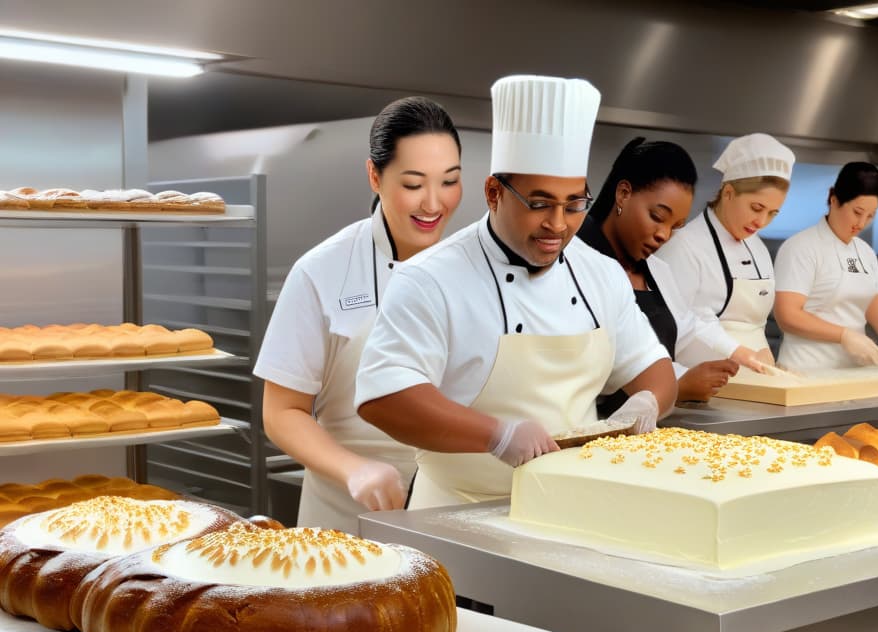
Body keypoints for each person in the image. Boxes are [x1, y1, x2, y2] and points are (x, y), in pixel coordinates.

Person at [356, 75, 677, 509]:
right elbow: (384, 398)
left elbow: (654, 369)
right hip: (458, 513)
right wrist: (497, 435)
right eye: (540, 203)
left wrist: (646, 404)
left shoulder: (600, 273)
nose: (558, 224)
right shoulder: (430, 278)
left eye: (574, 204)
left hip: (574, 507)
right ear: (493, 193)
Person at [253, 97, 463, 532]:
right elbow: (281, 412)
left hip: (450, 518)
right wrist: (355, 469)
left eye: (449, 182)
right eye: (413, 184)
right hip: (347, 522)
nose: (433, 203)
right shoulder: (322, 270)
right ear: (374, 176)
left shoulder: (476, 267)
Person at [577, 137, 738, 403]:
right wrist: (677, 385)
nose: (664, 234)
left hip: (654, 427)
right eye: (657, 217)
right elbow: (586, 369)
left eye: (675, 226)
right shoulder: (576, 264)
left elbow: (686, 336)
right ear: (623, 194)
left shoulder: (658, 271)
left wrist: (732, 355)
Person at [774, 161, 878, 370]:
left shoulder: (865, 252)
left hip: (855, 373)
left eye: (871, 215)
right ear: (834, 199)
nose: (862, 223)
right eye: (857, 212)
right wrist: (844, 335)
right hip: (807, 371)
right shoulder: (800, 247)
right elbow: (787, 316)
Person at [657, 133, 795, 372]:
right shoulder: (685, 246)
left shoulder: (757, 247)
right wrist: (741, 354)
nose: (761, 221)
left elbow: (753, 326)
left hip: (755, 382)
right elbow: (678, 324)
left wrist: (768, 361)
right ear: (728, 192)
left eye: (773, 213)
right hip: (704, 382)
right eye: (756, 208)